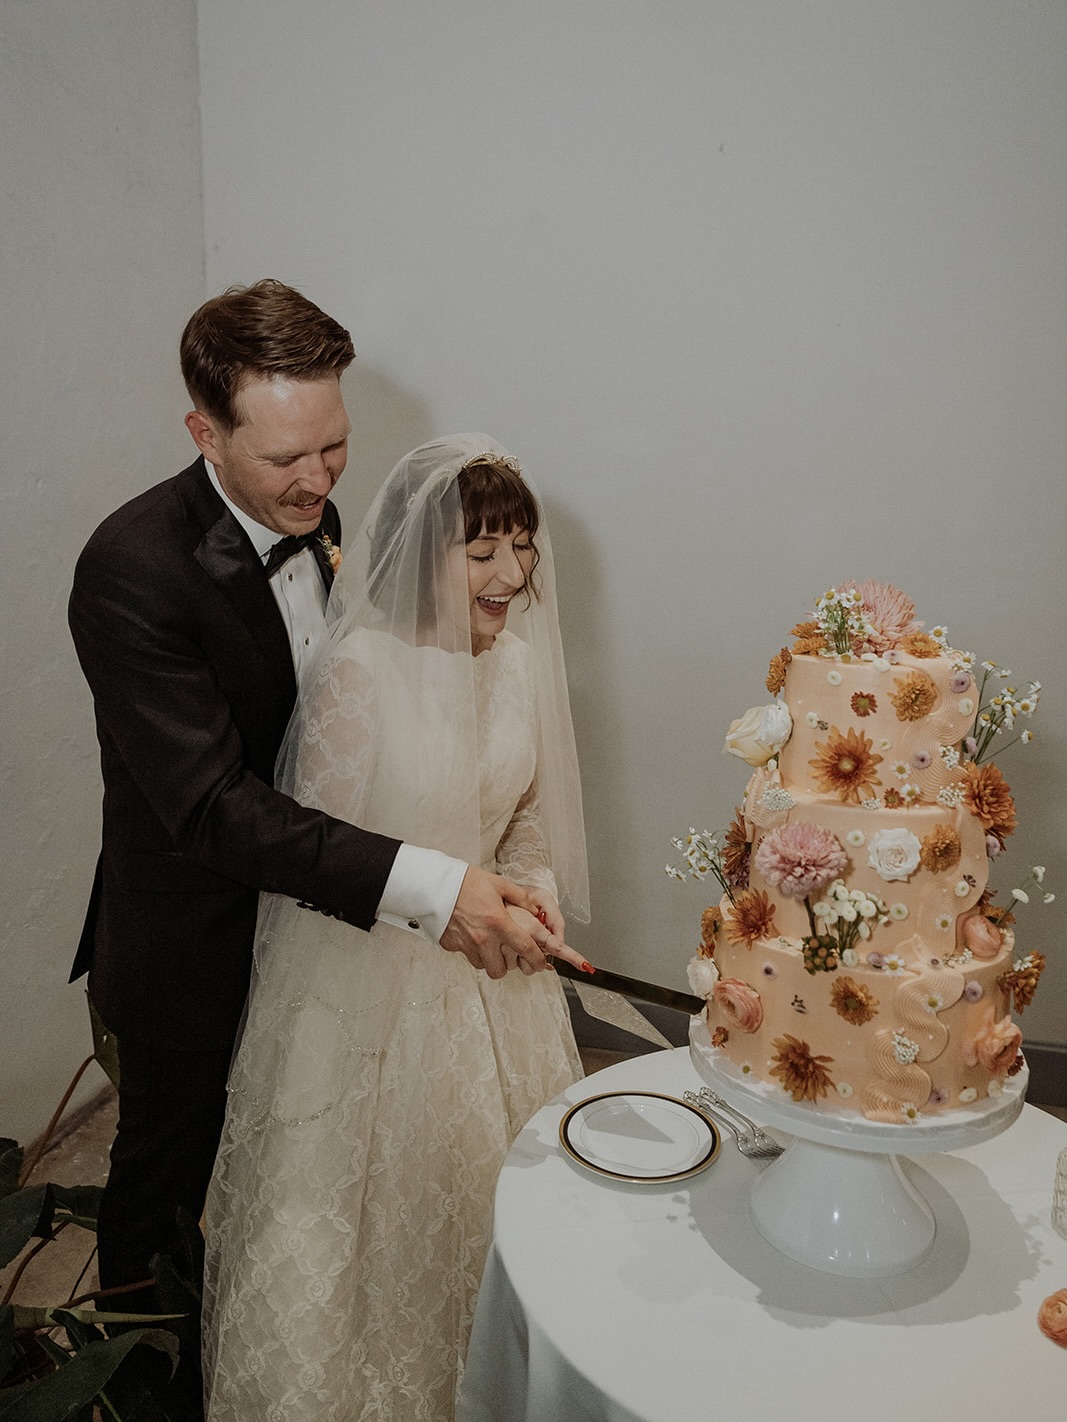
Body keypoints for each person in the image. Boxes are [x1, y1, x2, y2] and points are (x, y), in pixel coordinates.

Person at [67, 283, 585, 1321]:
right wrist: (438, 887)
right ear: (203, 432)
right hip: (196, 930)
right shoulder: (131, 569)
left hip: (330, 924)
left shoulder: (320, 521)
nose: (316, 482)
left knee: (305, 1175)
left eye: (333, 448)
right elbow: (213, 806)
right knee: (164, 1190)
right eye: (283, 458)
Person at [201, 435, 590, 1422]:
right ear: (423, 556)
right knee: (361, 1237)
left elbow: (524, 823)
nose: (513, 575)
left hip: (497, 981)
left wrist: (531, 889)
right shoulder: (360, 673)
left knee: (502, 1216)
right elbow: (314, 858)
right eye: (483, 550)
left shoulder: (512, 668)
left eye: (523, 546)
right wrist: (445, 906)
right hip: (368, 975)